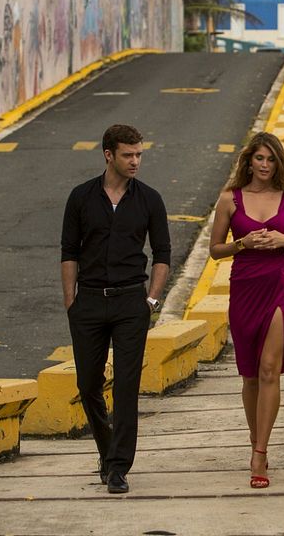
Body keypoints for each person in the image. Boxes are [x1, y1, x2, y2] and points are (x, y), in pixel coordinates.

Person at [61, 124, 170, 495]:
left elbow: (163, 254)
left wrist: (151, 300)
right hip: (88, 301)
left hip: (130, 301)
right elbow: (69, 252)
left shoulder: (150, 200)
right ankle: (107, 452)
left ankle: (119, 467)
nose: (135, 161)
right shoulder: (80, 197)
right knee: (87, 384)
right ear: (109, 155)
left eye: (139, 154)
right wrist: (71, 302)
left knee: (126, 386)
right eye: (128, 154)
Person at [209, 132, 284, 489]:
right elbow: (215, 250)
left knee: (269, 369)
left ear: (279, 163)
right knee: (250, 375)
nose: (265, 166)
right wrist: (243, 243)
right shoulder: (229, 200)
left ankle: (260, 453)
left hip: (281, 285)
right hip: (245, 287)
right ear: (249, 161)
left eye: (271, 160)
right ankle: (255, 439)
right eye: (259, 159)